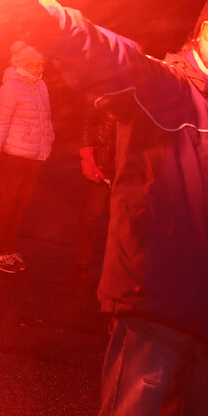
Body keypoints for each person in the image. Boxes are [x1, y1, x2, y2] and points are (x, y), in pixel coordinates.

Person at [0, 0, 208, 416]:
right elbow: (105, 54)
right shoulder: (165, 89)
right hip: (158, 308)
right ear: (200, 32)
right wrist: (42, 17)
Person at [0, 40, 55, 274]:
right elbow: (1, 123)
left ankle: (9, 248)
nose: (38, 68)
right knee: (9, 203)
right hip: (14, 154)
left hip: (34, 154)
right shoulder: (11, 87)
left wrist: (47, 141)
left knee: (22, 204)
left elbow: (45, 118)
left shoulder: (41, 85)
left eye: (40, 64)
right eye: (33, 64)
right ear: (23, 64)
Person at [73, 96, 116, 284]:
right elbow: (86, 125)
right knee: (91, 215)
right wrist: (88, 158)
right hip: (101, 162)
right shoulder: (100, 94)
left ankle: (114, 261)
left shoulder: (135, 94)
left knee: (116, 219)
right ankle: (82, 259)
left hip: (122, 165)